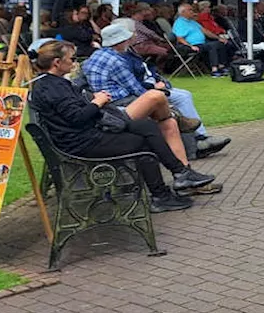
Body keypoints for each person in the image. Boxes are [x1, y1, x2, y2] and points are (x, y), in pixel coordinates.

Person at [28, 41, 214, 211]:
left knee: (146, 127)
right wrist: (97, 102)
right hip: (81, 143)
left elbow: (73, 113)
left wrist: (93, 99)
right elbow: (77, 117)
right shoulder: (54, 87)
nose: (75, 62)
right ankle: (162, 195)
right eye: (71, 59)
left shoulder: (50, 83)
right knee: (144, 143)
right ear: (56, 62)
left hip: (83, 136)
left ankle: (181, 173)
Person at [84, 22, 232, 162]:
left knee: (175, 99)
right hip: (119, 101)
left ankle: (196, 139)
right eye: (127, 38)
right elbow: (136, 89)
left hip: (110, 99)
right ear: (120, 41)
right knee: (169, 108)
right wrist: (156, 91)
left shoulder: (97, 56)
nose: (130, 39)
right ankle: (193, 145)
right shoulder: (117, 60)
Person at [172, 3, 230, 77]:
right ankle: (214, 70)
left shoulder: (192, 22)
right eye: (190, 10)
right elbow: (179, 38)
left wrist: (219, 38)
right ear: (183, 12)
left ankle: (221, 66)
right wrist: (190, 46)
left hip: (201, 44)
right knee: (212, 46)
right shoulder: (179, 23)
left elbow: (205, 31)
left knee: (221, 43)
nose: (192, 12)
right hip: (189, 46)